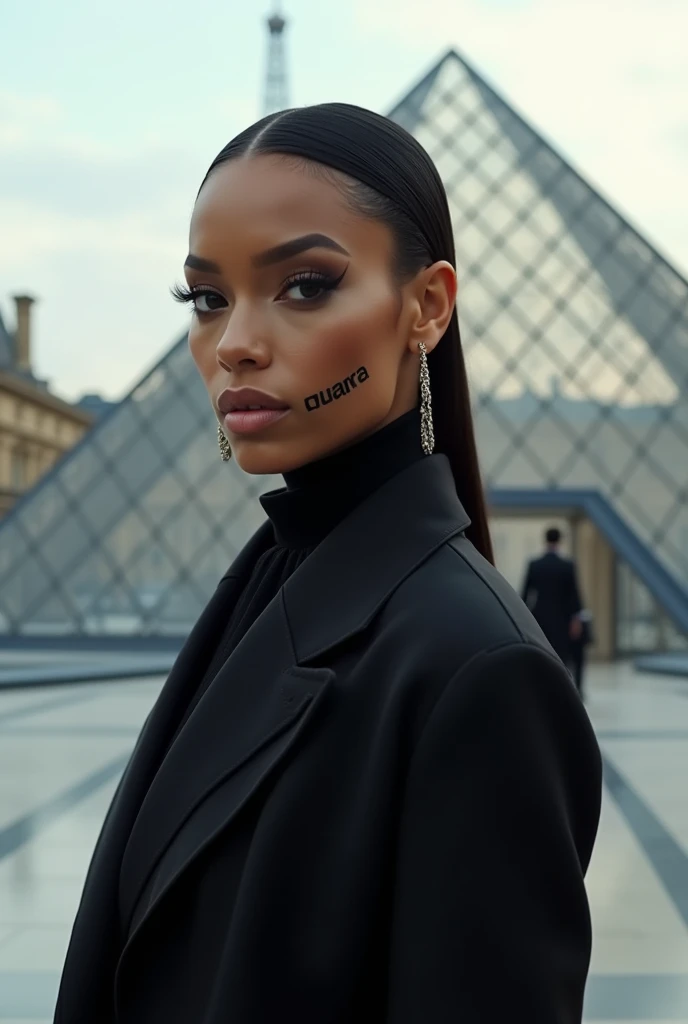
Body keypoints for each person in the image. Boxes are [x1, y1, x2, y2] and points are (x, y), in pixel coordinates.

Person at [54, 104, 602, 1024]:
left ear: (426, 306)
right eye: (206, 298)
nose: (231, 344)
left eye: (305, 286)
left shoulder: (478, 673)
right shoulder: (272, 576)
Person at [521, 527, 584, 675]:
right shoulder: (567, 566)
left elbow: (525, 594)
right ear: (559, 540)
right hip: (562, 619)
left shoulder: (535, 565)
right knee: (561, 656)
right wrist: (576, 620)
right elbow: (574, 595)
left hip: (540, 618)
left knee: (542, 653)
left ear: (545, 540)